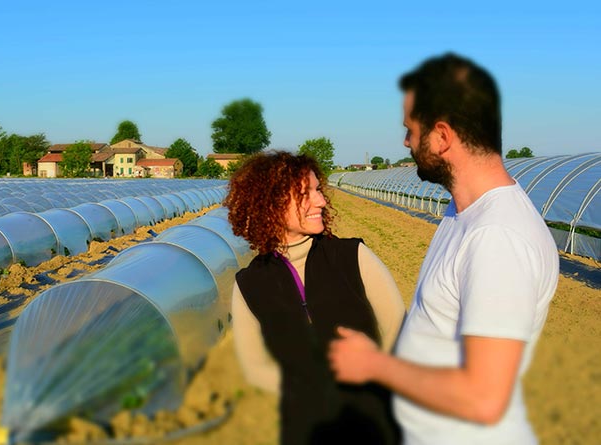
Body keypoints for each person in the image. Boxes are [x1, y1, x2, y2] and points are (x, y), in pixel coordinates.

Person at [328, 53, 559, 445]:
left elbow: (483, 399)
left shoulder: (496, 237)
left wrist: (374, 365)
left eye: (410, 131)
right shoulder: (462, 211)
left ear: (442, 136)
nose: (405, 142)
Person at [223, 150, 405, 445]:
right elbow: (254, 366)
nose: (321, 200)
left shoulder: (353, 257)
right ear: (271, 205)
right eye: (305, 194)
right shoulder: (249, 285)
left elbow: (398, 328)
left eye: (318, 190)